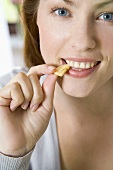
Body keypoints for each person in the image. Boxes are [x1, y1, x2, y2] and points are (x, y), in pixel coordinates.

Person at [1, 0, 113, 169]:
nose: (83, 42)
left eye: (107, 16)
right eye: (62, 12)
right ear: (34, 18)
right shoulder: (4, 103)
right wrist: (11, 157)